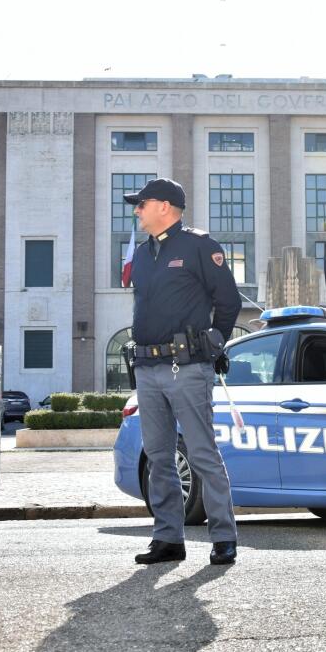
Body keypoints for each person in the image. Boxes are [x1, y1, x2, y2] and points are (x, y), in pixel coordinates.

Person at [123, 178, 242, 566]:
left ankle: (223, 537)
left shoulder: (199, 246)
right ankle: (168, 538)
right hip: (147, 368)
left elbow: (228, 301)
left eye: (141, 204)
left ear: (164, 206)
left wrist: (217, 340)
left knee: (203, 454)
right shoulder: (141, 255)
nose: (136, 210)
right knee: (159, 458)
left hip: (187, 367)